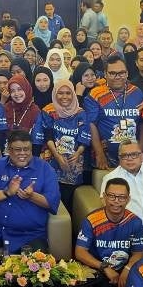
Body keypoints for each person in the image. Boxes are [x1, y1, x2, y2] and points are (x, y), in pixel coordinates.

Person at [0, 130, 60, 264]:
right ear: (9, 149)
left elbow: (52, 203)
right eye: (18, 149)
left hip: (29, 234)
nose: (23, 153)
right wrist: (6, 192)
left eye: (27, 149)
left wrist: (32, 196)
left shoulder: (45, 169)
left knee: (36, 268)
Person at [75, 178, 143, 287]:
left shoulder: (135, 222)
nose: (116, 201)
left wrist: (128, 269)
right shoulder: (91, 220)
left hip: (124, 267)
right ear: (104, 197)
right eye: (112, 196)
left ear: (128, 199)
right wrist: (104, 267)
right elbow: (80, 252)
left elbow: (138, 253)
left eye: (121, 197)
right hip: (98, 268)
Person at [34, 78, 90, 208]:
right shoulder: (48, 111)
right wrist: (57, 156)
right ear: (55, 94)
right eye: (60, 93)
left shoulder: (81, 113)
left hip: (74, 159)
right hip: (53, 156)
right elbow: (48, 135)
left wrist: (77, 153)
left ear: (73, 94)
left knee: (70, 198)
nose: (64, 96)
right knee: (51, 192)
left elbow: (84, 137)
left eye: (68, 93)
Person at [87, 56, 143, 169]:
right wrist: (99, 153)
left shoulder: (136, 92)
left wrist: (141, 152)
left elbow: (142, 124)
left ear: (127, 73)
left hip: (133, 155)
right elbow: (91, 124)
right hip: (107, 156)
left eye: (121, 73)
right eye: (112, 73)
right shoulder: (95, 94)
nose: (117, 77)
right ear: (105, 74)